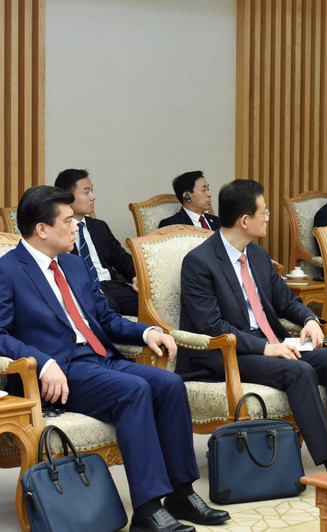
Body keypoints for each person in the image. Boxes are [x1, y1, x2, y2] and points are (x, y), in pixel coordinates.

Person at [0, 186, 229, 532]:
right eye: (69, 221)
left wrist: (146, 333)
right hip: (58, 370)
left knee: (168, 383)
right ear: (42, 229)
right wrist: (43, 362)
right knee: (133, 389)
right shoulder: (8, 270)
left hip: (99, 357)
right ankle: (148, 508)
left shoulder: (75, 266)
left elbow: (105, 319)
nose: (78, 227)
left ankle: (181, 492)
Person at [178, 179, 327, 471]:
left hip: (269, 342)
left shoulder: (256, 254)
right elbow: (211, 325)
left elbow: (284, 301)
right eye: (263, 212)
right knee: (299, 370)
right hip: (225, 353)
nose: (267, 218)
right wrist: (266, 348)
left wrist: (309, 320)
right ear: (244, 220)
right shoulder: (199, 262)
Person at [54, 168, 139, 316]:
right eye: (86, 192)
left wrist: (137, 277)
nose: (93, 197)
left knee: (151, 302)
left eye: (92, 191)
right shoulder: (57, 229)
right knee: (107, 306)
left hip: (111, 286)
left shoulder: (99, 226)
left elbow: (122, 258)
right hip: (82, 289)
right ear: (67, 197)